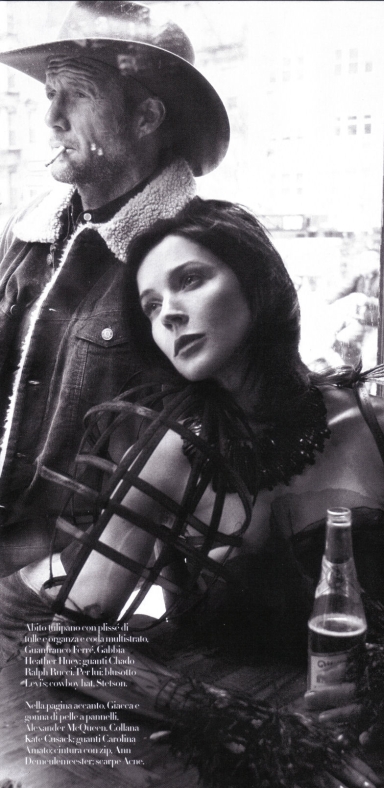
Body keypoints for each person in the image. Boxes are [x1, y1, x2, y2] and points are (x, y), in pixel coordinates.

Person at [5, 198, 384, 656]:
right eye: (151, 306)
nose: (169, 316)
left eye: (190, 280)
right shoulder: (167, 458)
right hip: (223, 724)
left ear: (258, 281)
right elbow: (70, 646)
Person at [0, 1, 229, 575]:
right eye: (50, 93)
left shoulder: (197, 255)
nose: (52, 117)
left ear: (146, 117)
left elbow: (216, 466)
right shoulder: (27, 231)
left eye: (77, 95)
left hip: (81, 578)